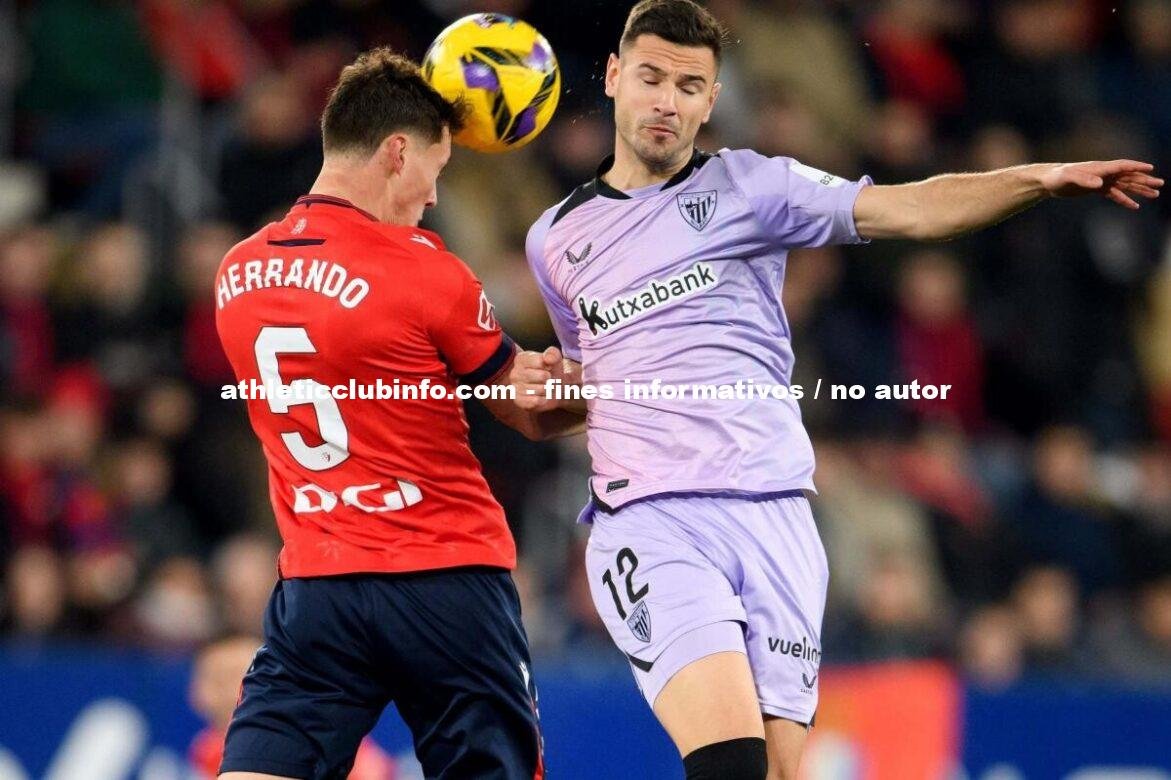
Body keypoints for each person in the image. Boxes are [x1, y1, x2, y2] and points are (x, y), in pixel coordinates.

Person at [511, 1, 1163, 778]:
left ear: (711, 100)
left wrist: (1037, 180)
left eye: (688, 87)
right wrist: (543, 397)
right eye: (651, 78)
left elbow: (908, 209)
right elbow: (591, 392)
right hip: (653, 522)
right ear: (615, 77)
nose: (666, 102)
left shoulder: (754, 188)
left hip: (777, 515)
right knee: (729, 764)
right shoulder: (556, 238)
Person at [214, 48, 583, 780]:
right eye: (435, 170)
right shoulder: (422, 269)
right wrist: (620, 381)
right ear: (396, 152)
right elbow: (527, 410)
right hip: (445, 580)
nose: (434, 197)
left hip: (318, 585)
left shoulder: (237, 272)